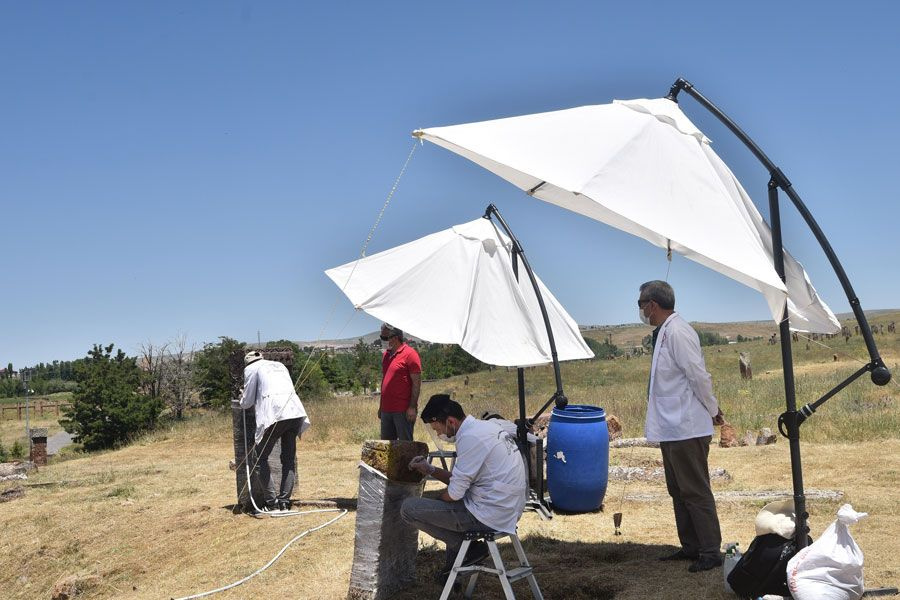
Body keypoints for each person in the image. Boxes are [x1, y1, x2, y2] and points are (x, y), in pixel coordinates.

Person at [638, 280, 725, 573]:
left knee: (695, 490)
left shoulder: (678, 331)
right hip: (671, 427)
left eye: (641, 304)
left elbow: (698, 376)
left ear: (652, 305)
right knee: (678, 490)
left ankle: (711, 550)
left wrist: (713, 409)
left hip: (687, 426)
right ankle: (691, 546)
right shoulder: (664, 332)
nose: (640, 310)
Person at [402, 394, 527, 582]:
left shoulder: (470, 438)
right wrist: (431, 470)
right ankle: (452, 573)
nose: (438, 434)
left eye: (437, 429)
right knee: (450, 509)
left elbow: (454, 493)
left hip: (492, 513)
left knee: (409, 509)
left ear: (451, 421)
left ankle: (467, 549)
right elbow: (462, 480)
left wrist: (437, 504)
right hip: (508, 506)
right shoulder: (485, 427)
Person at [239, 350, 311, 512]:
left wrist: (242, 396)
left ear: (247, 362)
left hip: (274, 413)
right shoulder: (279, 365)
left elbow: (247, 401)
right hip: (294, 411)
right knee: (288, 459)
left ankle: (271, 503)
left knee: (259, 458)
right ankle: (284, 501)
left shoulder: (250, 369)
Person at [378, 323, 422, 441]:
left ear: (395, 337)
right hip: (386, 410)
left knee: (405, 447)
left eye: (384, 338)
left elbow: (416, 383)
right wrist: (381, 407)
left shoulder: (410, 354)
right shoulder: (386, 355)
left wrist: (412, 407)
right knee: (386, 448)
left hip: (403, 411)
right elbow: (385, 380)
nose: (382, 341)